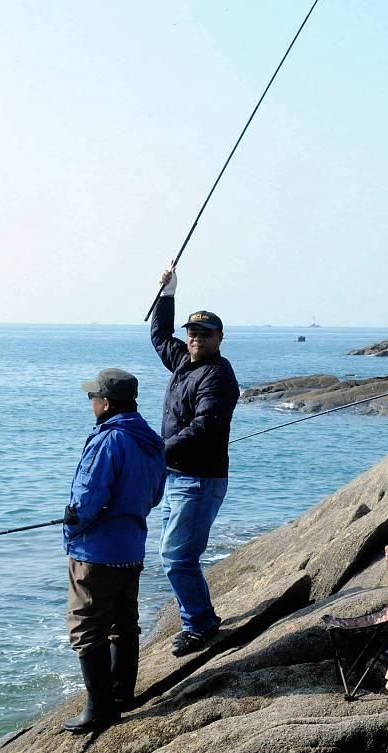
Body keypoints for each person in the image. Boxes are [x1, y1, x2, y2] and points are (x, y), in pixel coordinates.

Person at [61, 368, 166, 734]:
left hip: (96, 553)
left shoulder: (108, 440)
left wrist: (71, 526)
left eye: (94, 397)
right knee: (124, 622)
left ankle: (100, 709)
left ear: (106, 403)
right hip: (131, 547)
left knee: (86, 628)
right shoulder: (150, 439)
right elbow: (155, 495)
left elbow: (88, 499)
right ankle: (122, 695)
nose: (91, 402)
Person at [150, 267, 240, 657]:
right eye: (192, 333)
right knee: (173, 554)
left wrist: (158, 451)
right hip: (176, 477)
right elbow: (159, 336)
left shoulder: (218, 375)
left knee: (177, 557)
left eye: (205, 334)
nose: (196, 339)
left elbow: (204, 427)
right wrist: (168, 293)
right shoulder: (184, 361)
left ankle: (200, 624)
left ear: (219, 338)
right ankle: (199, 616)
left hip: (199, 480)